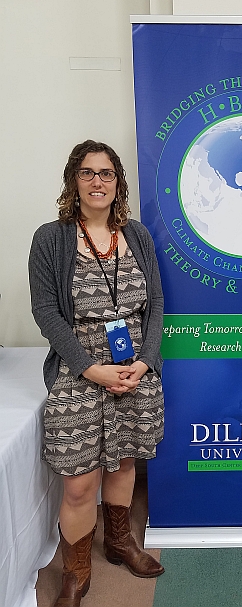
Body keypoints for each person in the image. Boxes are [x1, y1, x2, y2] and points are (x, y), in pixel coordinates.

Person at [29, 140, 165, 607]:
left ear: (118, 182)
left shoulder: (138, 236)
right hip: (78, 368)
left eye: (106, 173)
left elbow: (157, 305)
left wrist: (145, 362)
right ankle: (77, 569)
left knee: (125, 462)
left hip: (134, 371)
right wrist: (91, 369)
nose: (98, 182)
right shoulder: (52, 238)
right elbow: (46, 311)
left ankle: (121, 542)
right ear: (74, 180)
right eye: (88, 173)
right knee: (80, 478)